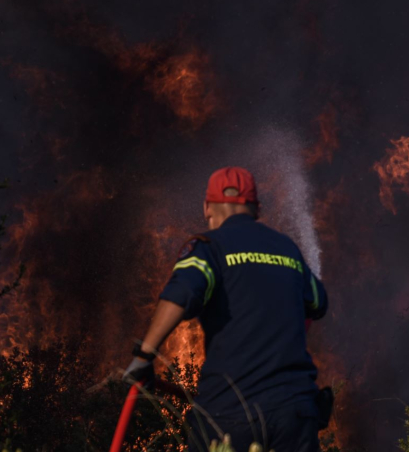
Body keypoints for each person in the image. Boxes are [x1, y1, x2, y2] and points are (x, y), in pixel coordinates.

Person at [124, 166, 328, 452]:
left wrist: (145, 356)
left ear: (207, 207)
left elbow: (181, 294)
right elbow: (318, 303)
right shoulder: (288, 249)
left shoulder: (209, 247)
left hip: (231, 415)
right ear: (256, 208)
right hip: (295, 415)